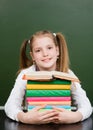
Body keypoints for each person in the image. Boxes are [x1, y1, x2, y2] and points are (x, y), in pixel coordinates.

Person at [4, 30, 92, 124]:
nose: (45, 54)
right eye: (38, 50)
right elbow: (10, 105)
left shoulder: (67, 74)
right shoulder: (25, 75)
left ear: (57, 51)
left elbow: (86, 105)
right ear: (32, 56)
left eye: (49, 48)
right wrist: (24, 117)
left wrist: (76, 116)